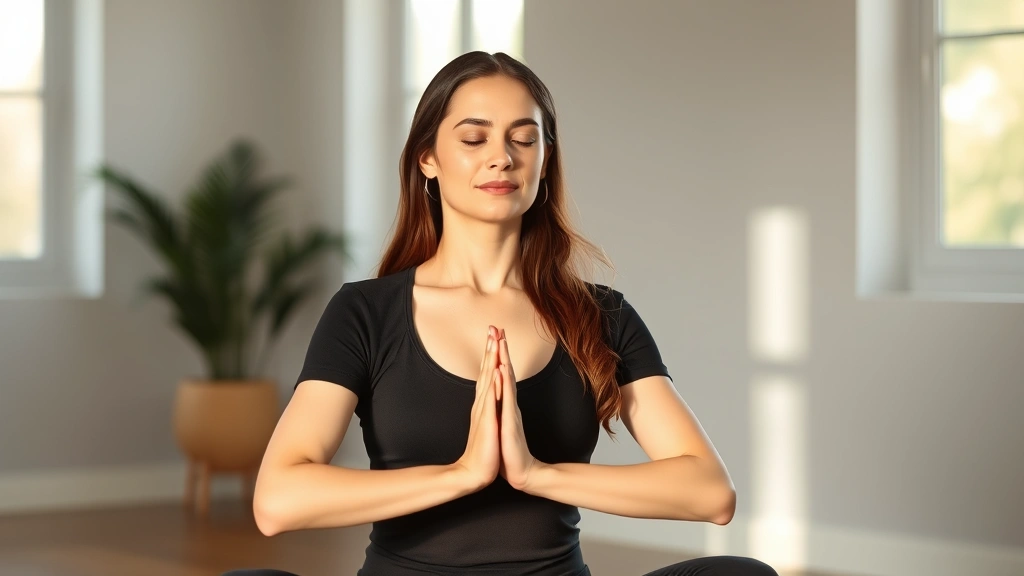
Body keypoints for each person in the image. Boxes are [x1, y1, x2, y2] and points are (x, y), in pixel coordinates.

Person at [223, 52, 778, 576]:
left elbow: (710, 492)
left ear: (544, 159)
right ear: (428, 158)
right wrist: (461, 475)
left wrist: (537, 474)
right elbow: (278, 500)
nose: (502, 156)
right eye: (473, 137)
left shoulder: (600, 315)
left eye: (524, 138)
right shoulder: (365, 313)